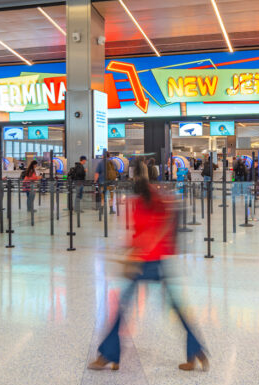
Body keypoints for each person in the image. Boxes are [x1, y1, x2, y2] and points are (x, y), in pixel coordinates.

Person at [88, 158, 207, 373]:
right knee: (175, 307)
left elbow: (165, 220)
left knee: (122, 308)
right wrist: (127, 248)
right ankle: (196, 351)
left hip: (148, 261)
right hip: (155, 260)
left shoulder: (150, 197)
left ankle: (108, 355)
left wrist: (145, 243)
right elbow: (140, 230)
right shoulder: (147, 197)